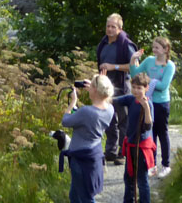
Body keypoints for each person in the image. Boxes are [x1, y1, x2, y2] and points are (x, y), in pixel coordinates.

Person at [60, 74, 115, 203]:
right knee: (74, 196)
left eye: (92, 87)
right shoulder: (110, 109)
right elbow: (104, 99)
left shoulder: (86, 112)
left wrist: (73, 102)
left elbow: (65, 121)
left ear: (95, 90)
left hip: (80, 159)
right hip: (93, 156)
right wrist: (94, 86)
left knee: (86, 198)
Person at [130, 36, 176, 178]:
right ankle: (153, 165)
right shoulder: (149, 60)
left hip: (161, 103)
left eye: (157, 47)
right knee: (151, 134)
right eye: (153, 46)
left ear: (165, 49)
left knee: (162, 133)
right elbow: (135, 75)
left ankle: (166, 165)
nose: (153, 49)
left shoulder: (169, 66)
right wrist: (133, 60)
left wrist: (149, 82)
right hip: (148, 102)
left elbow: (163, 86)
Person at [96, 13, 137, 164]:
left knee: (123, 120)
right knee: (109, 119)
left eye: (113, 26)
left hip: (122, 86)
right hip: (105, 86)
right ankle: (110, 151)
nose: (110, 29)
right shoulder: (103, 44)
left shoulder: (126, 44)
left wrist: (113, 67)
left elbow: (134, 66)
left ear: (120, 29)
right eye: (108, 26)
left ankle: (123, 152)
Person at [114, 72, 156, 203]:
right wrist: (99, 89)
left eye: (139, 88)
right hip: (131, 144)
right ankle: (128, 200)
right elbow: (113, 100)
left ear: (146, 88)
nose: (136, 90)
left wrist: (146, 109)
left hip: (141, 147)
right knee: (128, 177)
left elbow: (148, 126)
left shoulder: (148, 104)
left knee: (142, 180)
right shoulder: (131, 99)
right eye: (134, 87)